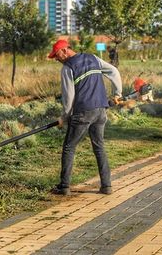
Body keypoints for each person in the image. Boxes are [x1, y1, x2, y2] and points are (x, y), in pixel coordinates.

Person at [48, 39, 122, 196]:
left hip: (83, 112)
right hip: (101, 110)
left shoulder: (68, 67)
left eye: (56, 55)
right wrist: (118, 94)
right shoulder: (93, 58)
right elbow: (114, 72)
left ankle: (64, 186)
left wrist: (65, 116)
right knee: (99, 146)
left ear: (64, 51)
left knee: (69, 147)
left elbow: (68, 98)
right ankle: (106, 186)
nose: (56, 59)